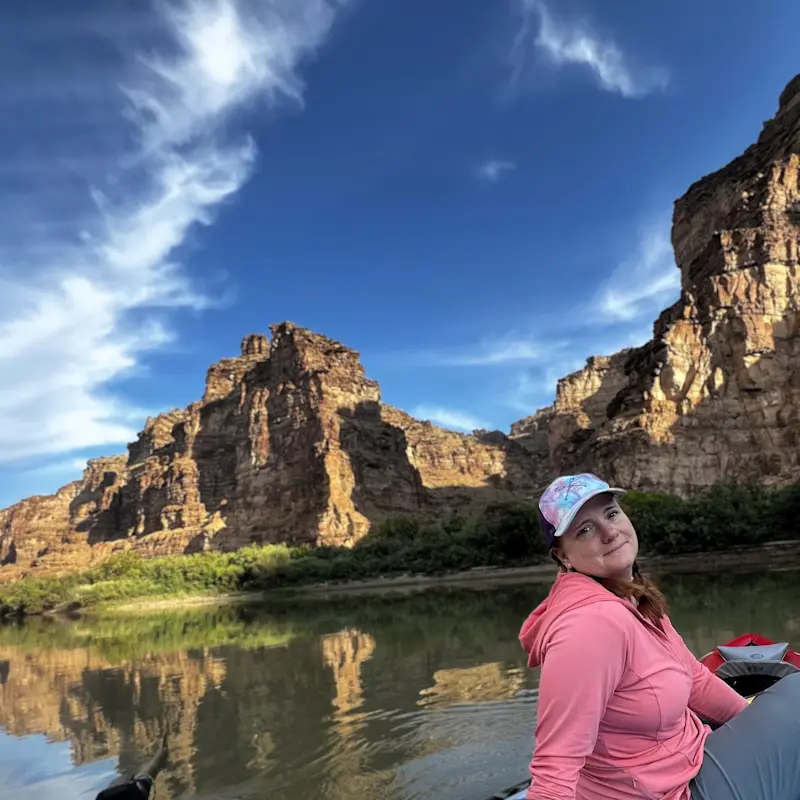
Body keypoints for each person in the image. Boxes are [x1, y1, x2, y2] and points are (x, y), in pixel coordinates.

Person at [519, 473, 800, 800]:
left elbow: (696, 679)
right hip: (672, 793)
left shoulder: (631, 597)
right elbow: (556, 764)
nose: (609, 533)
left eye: (610, 514)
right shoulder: (589, 627)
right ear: (563, 556)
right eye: (585, 530)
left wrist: (754, 725)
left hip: (693, 760)